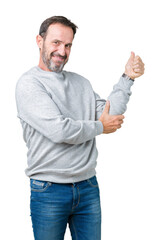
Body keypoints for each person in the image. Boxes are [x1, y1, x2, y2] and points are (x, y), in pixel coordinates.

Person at [15, 16, 144, 240]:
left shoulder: (81, 83)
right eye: (56, 43)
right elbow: (60, 130)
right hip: (49, 190)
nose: (62, 51)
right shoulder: (29, 84)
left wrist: (127, 78)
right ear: (39, 40)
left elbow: (109, 115)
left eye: (68, 45)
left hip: (87, 187)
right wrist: (99, 127)